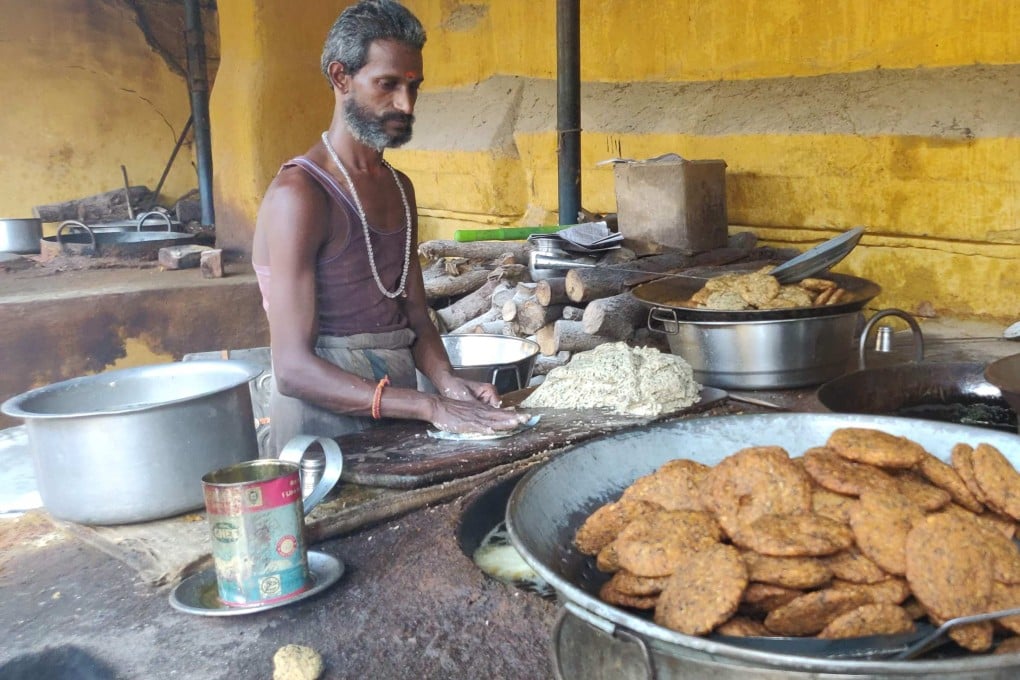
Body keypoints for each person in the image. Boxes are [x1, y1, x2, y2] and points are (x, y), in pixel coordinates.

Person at [251, 0, 528, 455]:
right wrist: (428, 406)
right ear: (341, 77)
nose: (406, 103)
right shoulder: (299, 195)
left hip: (396, 410)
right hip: (320, 428)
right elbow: (293, 370)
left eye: (413, 86)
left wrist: (449, 386)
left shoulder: (400, 188)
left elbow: (414, 318)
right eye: (388, 85)